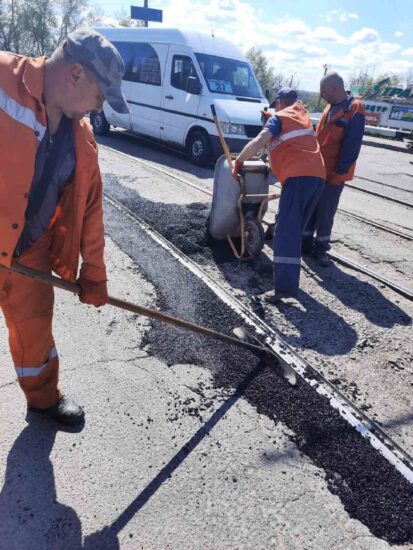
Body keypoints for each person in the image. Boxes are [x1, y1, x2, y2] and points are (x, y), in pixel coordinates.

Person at [0, 29, 129, 426]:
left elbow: (90, 210)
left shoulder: (82, 139)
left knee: (35, 329)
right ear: (76, 74)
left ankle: (42, 399)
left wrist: (94, 275)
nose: (98, 108)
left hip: (30, 250)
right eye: (99, 97)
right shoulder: (4, 80)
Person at [232, 87, 326, 302]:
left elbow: (259, 141)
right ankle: (290, 279)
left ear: (281, 102)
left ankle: (284, 288)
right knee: (296, 230)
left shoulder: (279, 118)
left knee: (285, 233)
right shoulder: (302, 116)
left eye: (276, 104)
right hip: (317, 177)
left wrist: (239, 161)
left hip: (299, 178)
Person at [302, 72, 365, 266]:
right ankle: (304, 244)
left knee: (325, 212)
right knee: (311, 208)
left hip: (335, 172)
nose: (322, 96)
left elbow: (352, 145)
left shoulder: (355, 109)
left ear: (335, 88)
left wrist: (340, 171)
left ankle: (321, 249)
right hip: (318, 168)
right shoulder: (330, 106)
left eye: (323, 91)